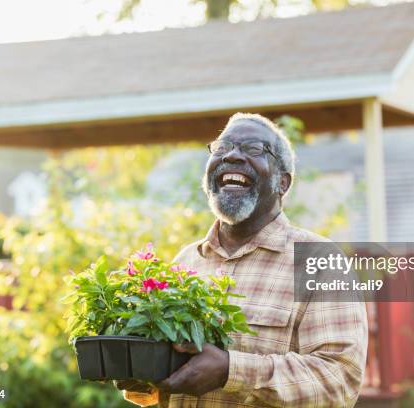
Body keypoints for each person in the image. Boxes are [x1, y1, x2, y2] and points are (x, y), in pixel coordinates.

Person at [117, 112, 368, 407]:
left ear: (282, 184)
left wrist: (229, 370)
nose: (233, 156)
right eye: (222, 148)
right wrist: (141, 375)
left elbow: (338, 381)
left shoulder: (320, 262)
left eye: (253, 150)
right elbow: (161, 389)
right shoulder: (186, 261)